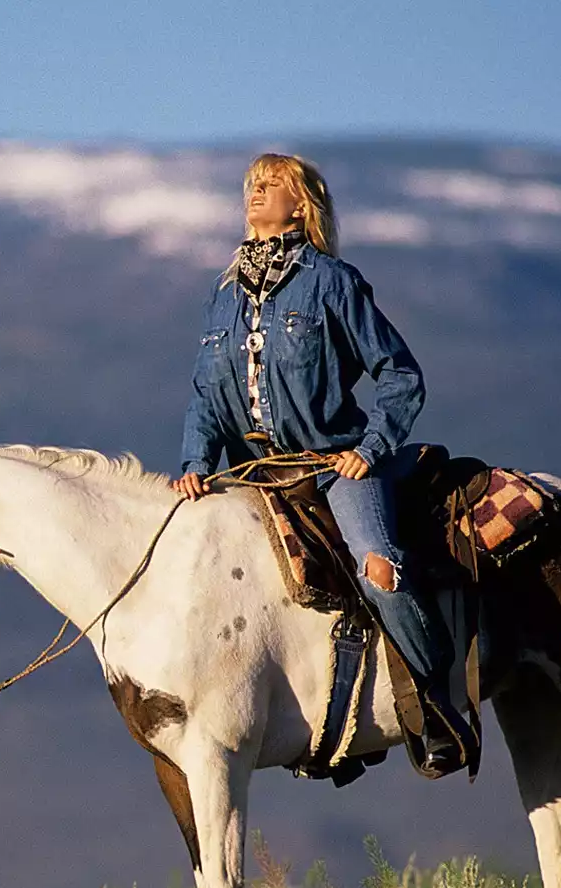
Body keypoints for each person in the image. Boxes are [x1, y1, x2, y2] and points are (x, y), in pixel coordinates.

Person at [172, 152, 473, 776]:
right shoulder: (222, 295)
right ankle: (314, 731)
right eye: (251, 184)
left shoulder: (333, 282)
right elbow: (206, 394)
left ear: (301, 203)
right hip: (255, 474)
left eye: (271, 184)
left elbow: (400, 374)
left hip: (335, 467)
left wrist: (368, 451)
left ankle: (440, 708)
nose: (255, 193)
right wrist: (196, 460)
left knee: (379, 571)